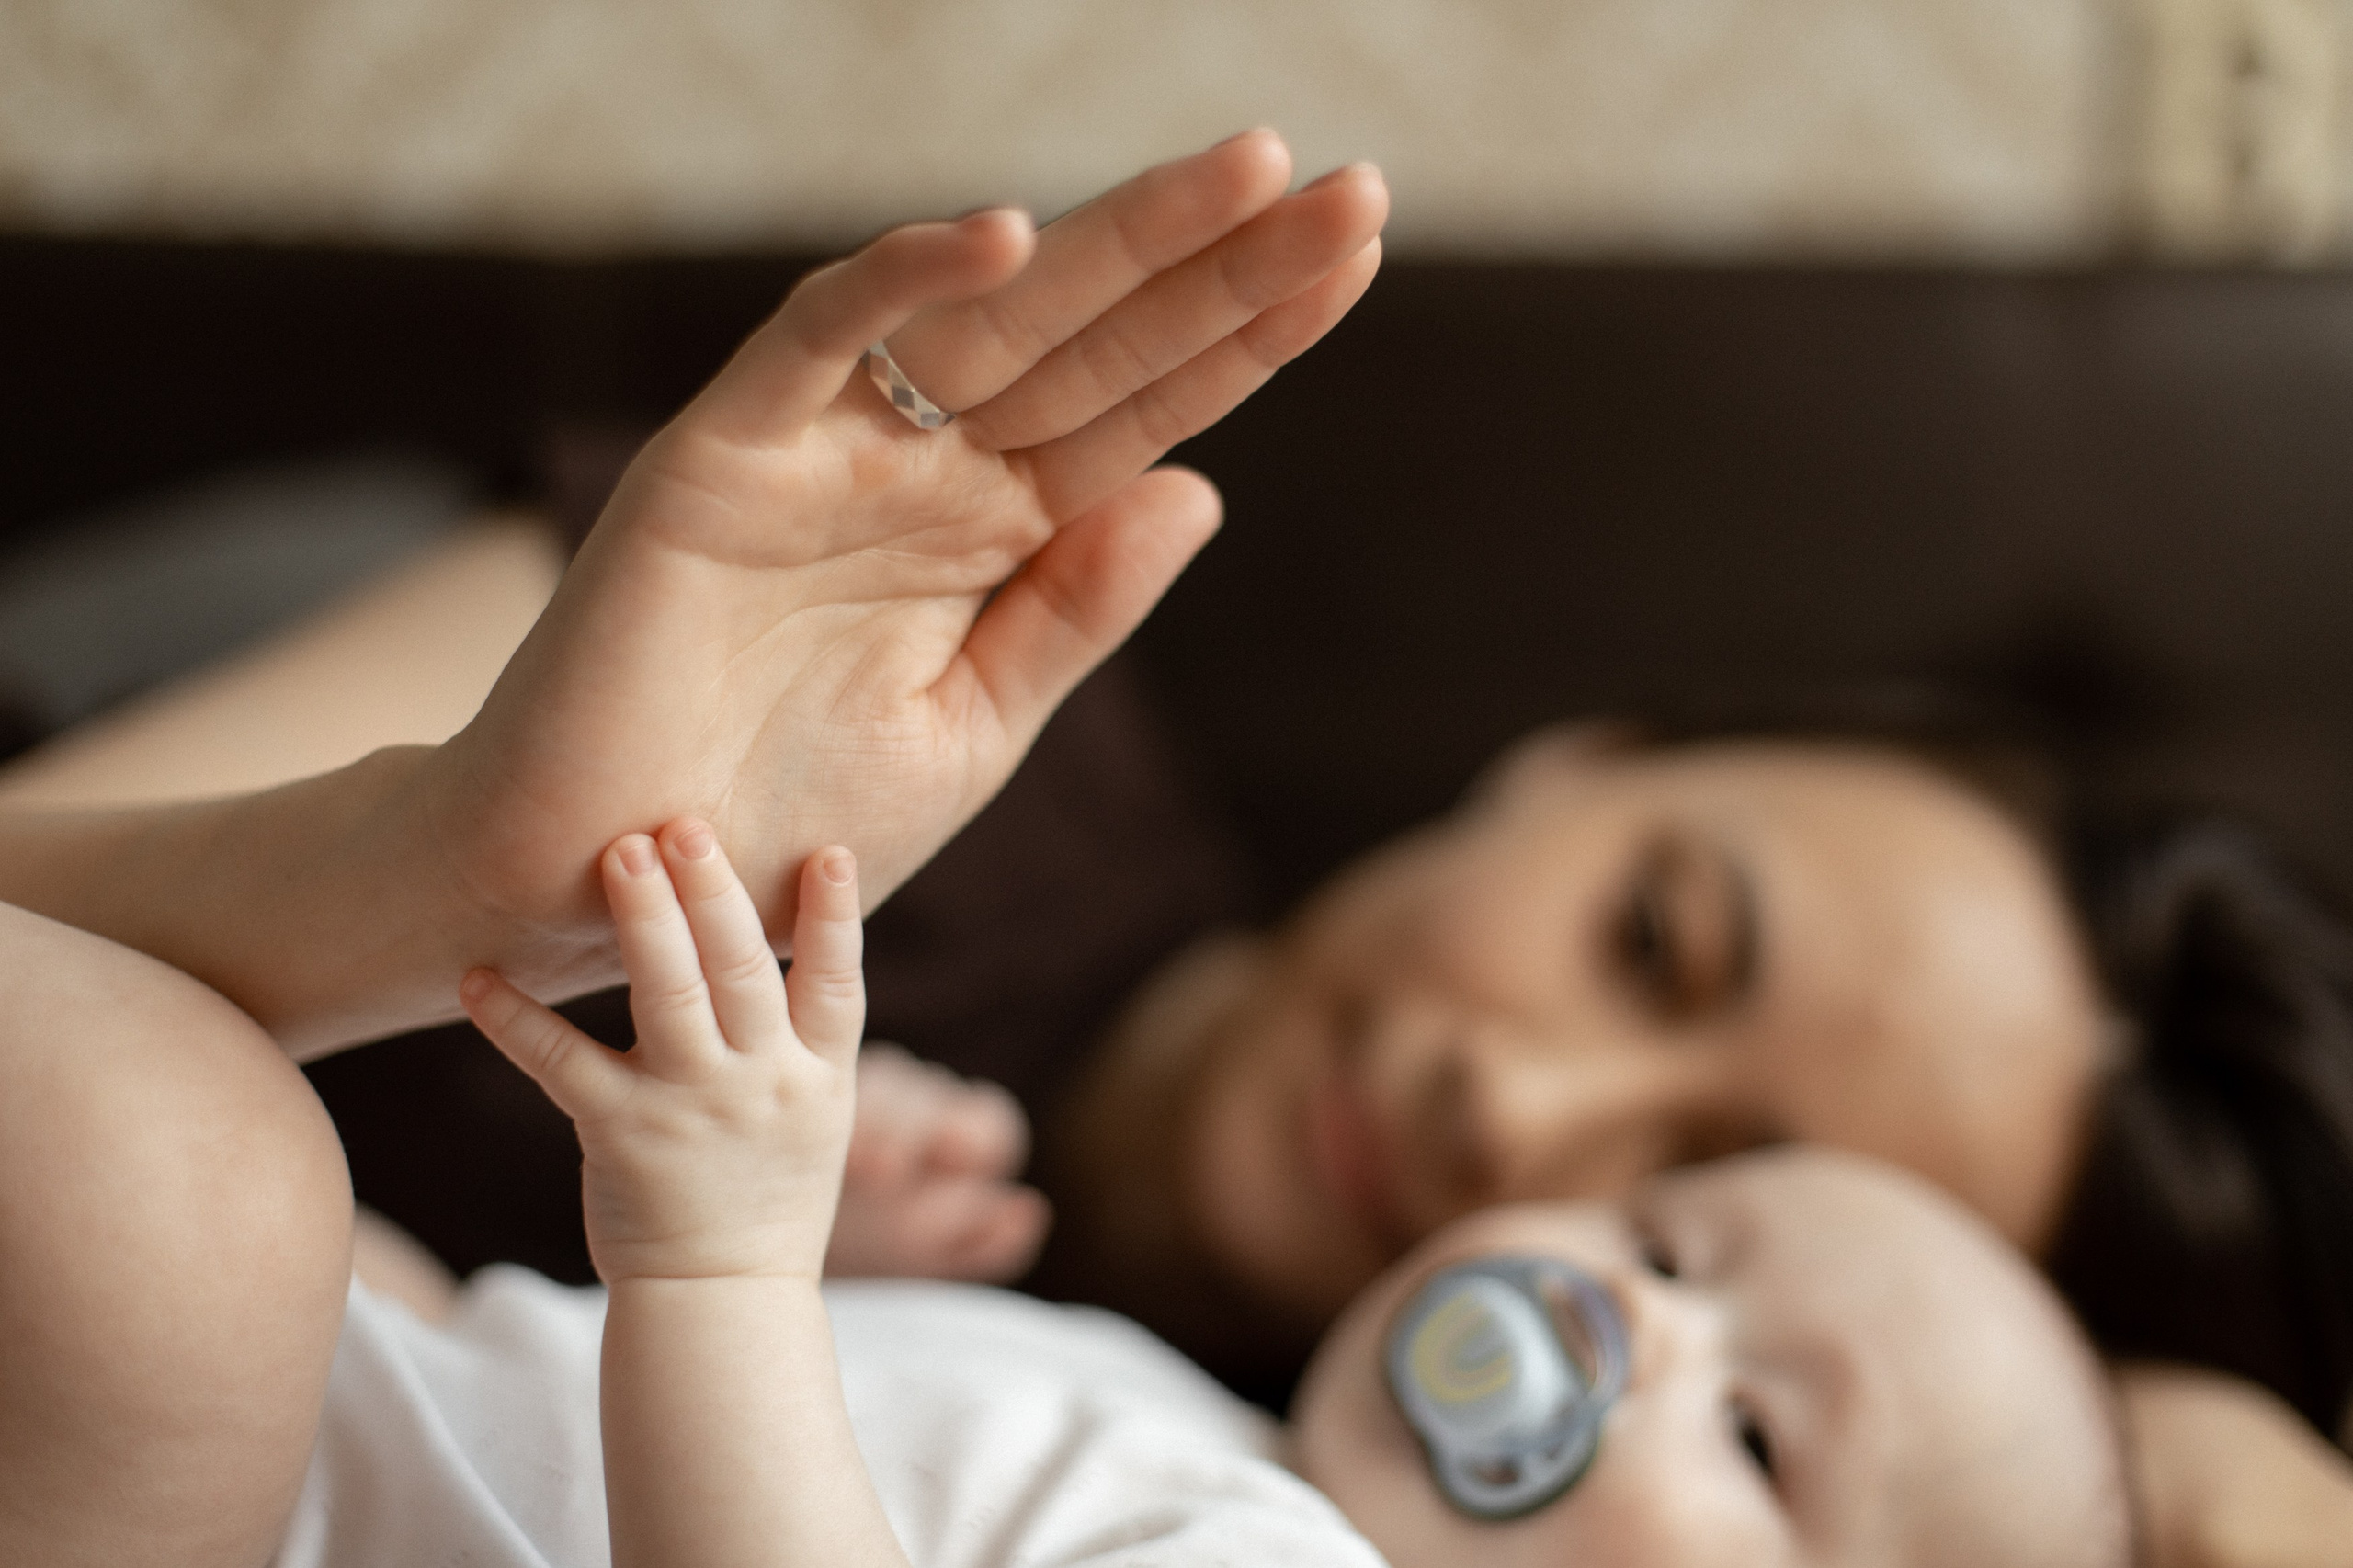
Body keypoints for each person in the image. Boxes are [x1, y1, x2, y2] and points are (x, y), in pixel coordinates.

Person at [0, 128, 1390, 1565]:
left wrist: (731, 1269)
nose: (1511, 1117)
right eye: (1637, 940)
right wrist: (432, 871)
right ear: (1534, 773)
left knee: (188, 1189)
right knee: (192, 1189)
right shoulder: (940, 690)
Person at [297, 812, 2135, 1568]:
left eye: (1750, 1432)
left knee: (200, 1178)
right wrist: (849, 1273)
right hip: (395, 1409)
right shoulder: (1214, 1445)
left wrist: (729, 1270)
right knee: (241, 1179)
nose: (1640, 1322)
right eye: (1663, 1246)